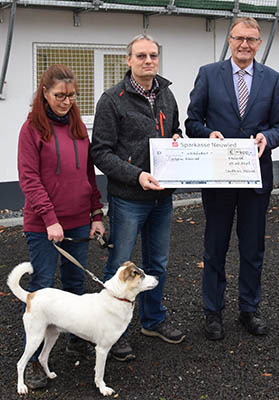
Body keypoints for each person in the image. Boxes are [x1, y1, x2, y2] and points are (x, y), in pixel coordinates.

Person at [185, 17, 279, 341]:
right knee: (215, 247)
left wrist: (266, 139)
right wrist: (208, 133)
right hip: (218, 176)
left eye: (251, 39)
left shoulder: (272, 79)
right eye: (239, 38)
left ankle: (249, 309)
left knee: (252, 248)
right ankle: (212, 312)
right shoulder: (208, 74)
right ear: (229, 40)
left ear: (259, 43)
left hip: (256, 178)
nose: (245, 44)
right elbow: (192, 121)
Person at [91, 33, 185, 361]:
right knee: (120, 265)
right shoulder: (111, 99)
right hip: (129, 197)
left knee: (157, 263)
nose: (148, 61)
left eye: (153, 56)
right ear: (128, 60)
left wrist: (176, 139)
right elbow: (100, 153)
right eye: (141, 56)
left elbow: (176, 131)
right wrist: (136, 175)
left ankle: (153, 320)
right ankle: (110, 331)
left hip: (162, 197)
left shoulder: (168, 95)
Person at [17, 64, 106, 389]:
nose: (66, 101)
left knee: (74, 284)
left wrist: (96, 213)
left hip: (79, 221)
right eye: (59, 96)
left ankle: (73, 337)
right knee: (41, 287)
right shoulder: (31, 130)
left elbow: (88, 174)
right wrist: (50, 218)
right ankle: (33, 360)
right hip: (44, 226)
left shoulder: (78, 126)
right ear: (44, 93)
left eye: (71, 96)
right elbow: (29, 179)